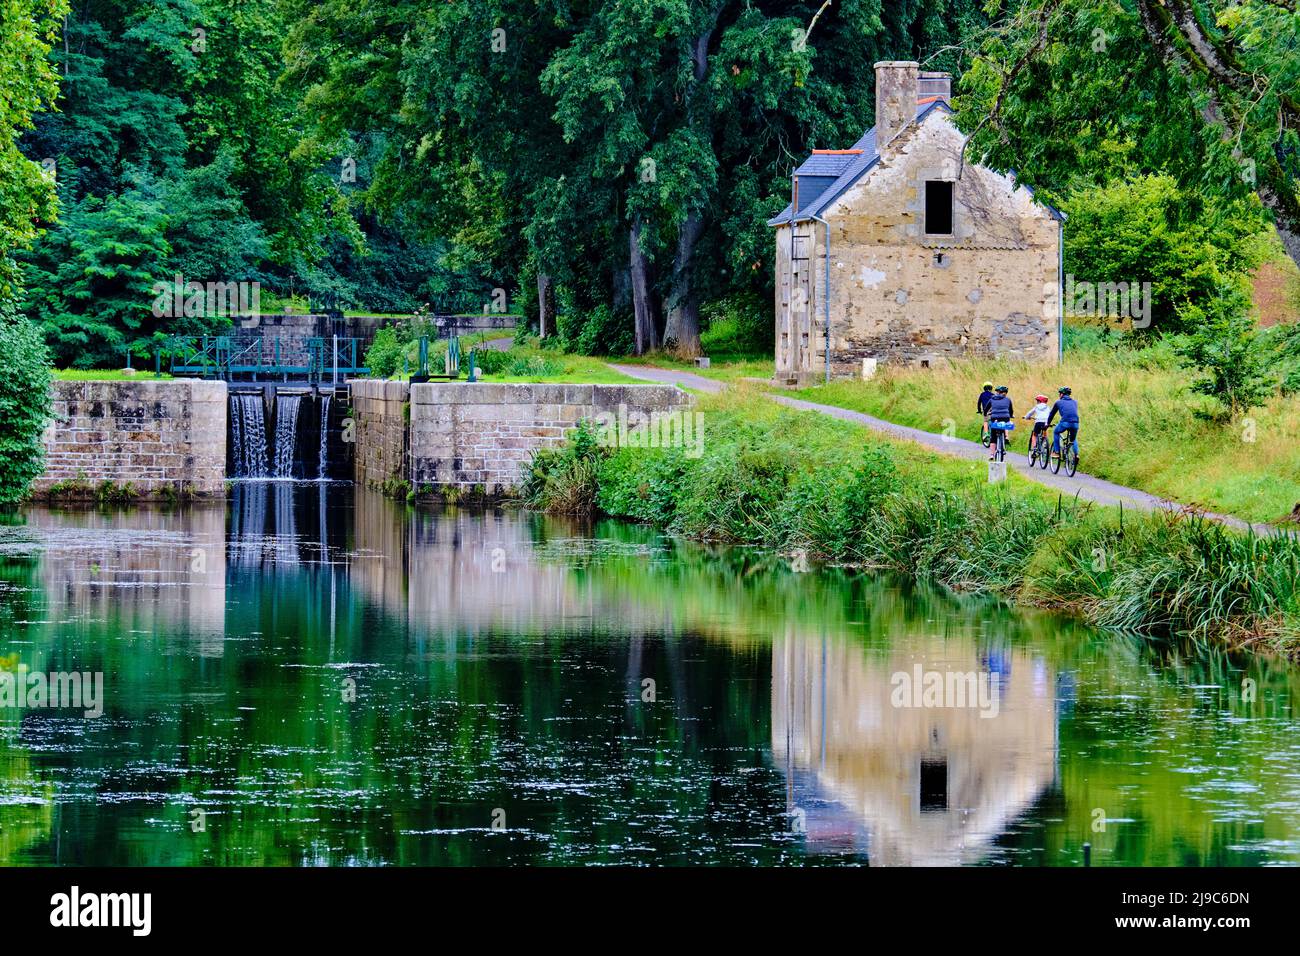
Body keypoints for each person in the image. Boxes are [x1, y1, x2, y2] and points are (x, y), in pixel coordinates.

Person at [1047, 386, 1080, 458]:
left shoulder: (1058, 402)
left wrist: (1047, 424)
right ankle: (1076, 455)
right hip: (1076, 423)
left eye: (1059, 393)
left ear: (1062, 394)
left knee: (1056, 432)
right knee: (1073, 439)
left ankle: (1057, 452)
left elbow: (1051, 414)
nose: (1059, 395)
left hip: (1065, 422)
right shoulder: (1075, 402)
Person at [986, 385, 1014, 459]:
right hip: (1005, 417)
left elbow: (986, 408)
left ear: (998, 392)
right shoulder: (1008, 399)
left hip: (994, 417)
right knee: (1006, 423)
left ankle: (992, 455)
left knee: (993, 436)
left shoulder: (992, 399)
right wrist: (1010, 415)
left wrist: (986, 413)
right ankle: (1006, 437)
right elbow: (1011, 410)